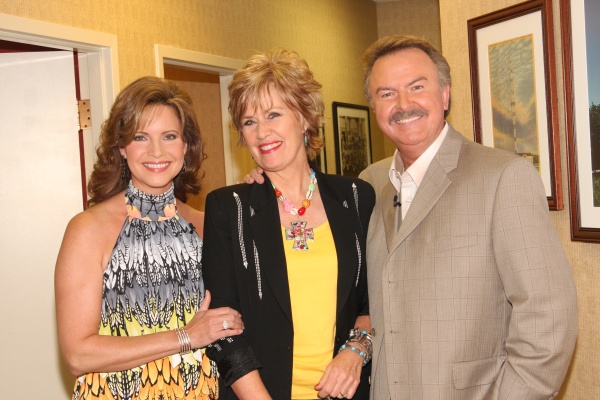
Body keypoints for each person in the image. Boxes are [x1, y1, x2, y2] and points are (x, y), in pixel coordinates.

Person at [358, 36, 578, 399]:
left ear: (445, 95)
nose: (403, 104)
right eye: (387, 94)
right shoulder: (369, 183)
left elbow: (548, 314)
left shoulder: (503, 176)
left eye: (417, 87)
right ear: (374, 107)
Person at [201, 48, 376, 400]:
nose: (262, 132)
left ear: (305, 117)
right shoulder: (229, 208)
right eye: (249, 122)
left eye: (273, 115)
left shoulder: (357, 197)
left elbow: (375, 301)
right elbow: (222, 328)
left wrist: (356, 351)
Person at [55, 76, 244, 400]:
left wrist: (264, 187)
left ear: (185, 146)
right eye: (140, 137)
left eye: (169, 136)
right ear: (121, 148)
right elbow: (78, 354)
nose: (156, 151)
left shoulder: (208, 224)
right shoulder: (88, 229)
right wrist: (185, 336)